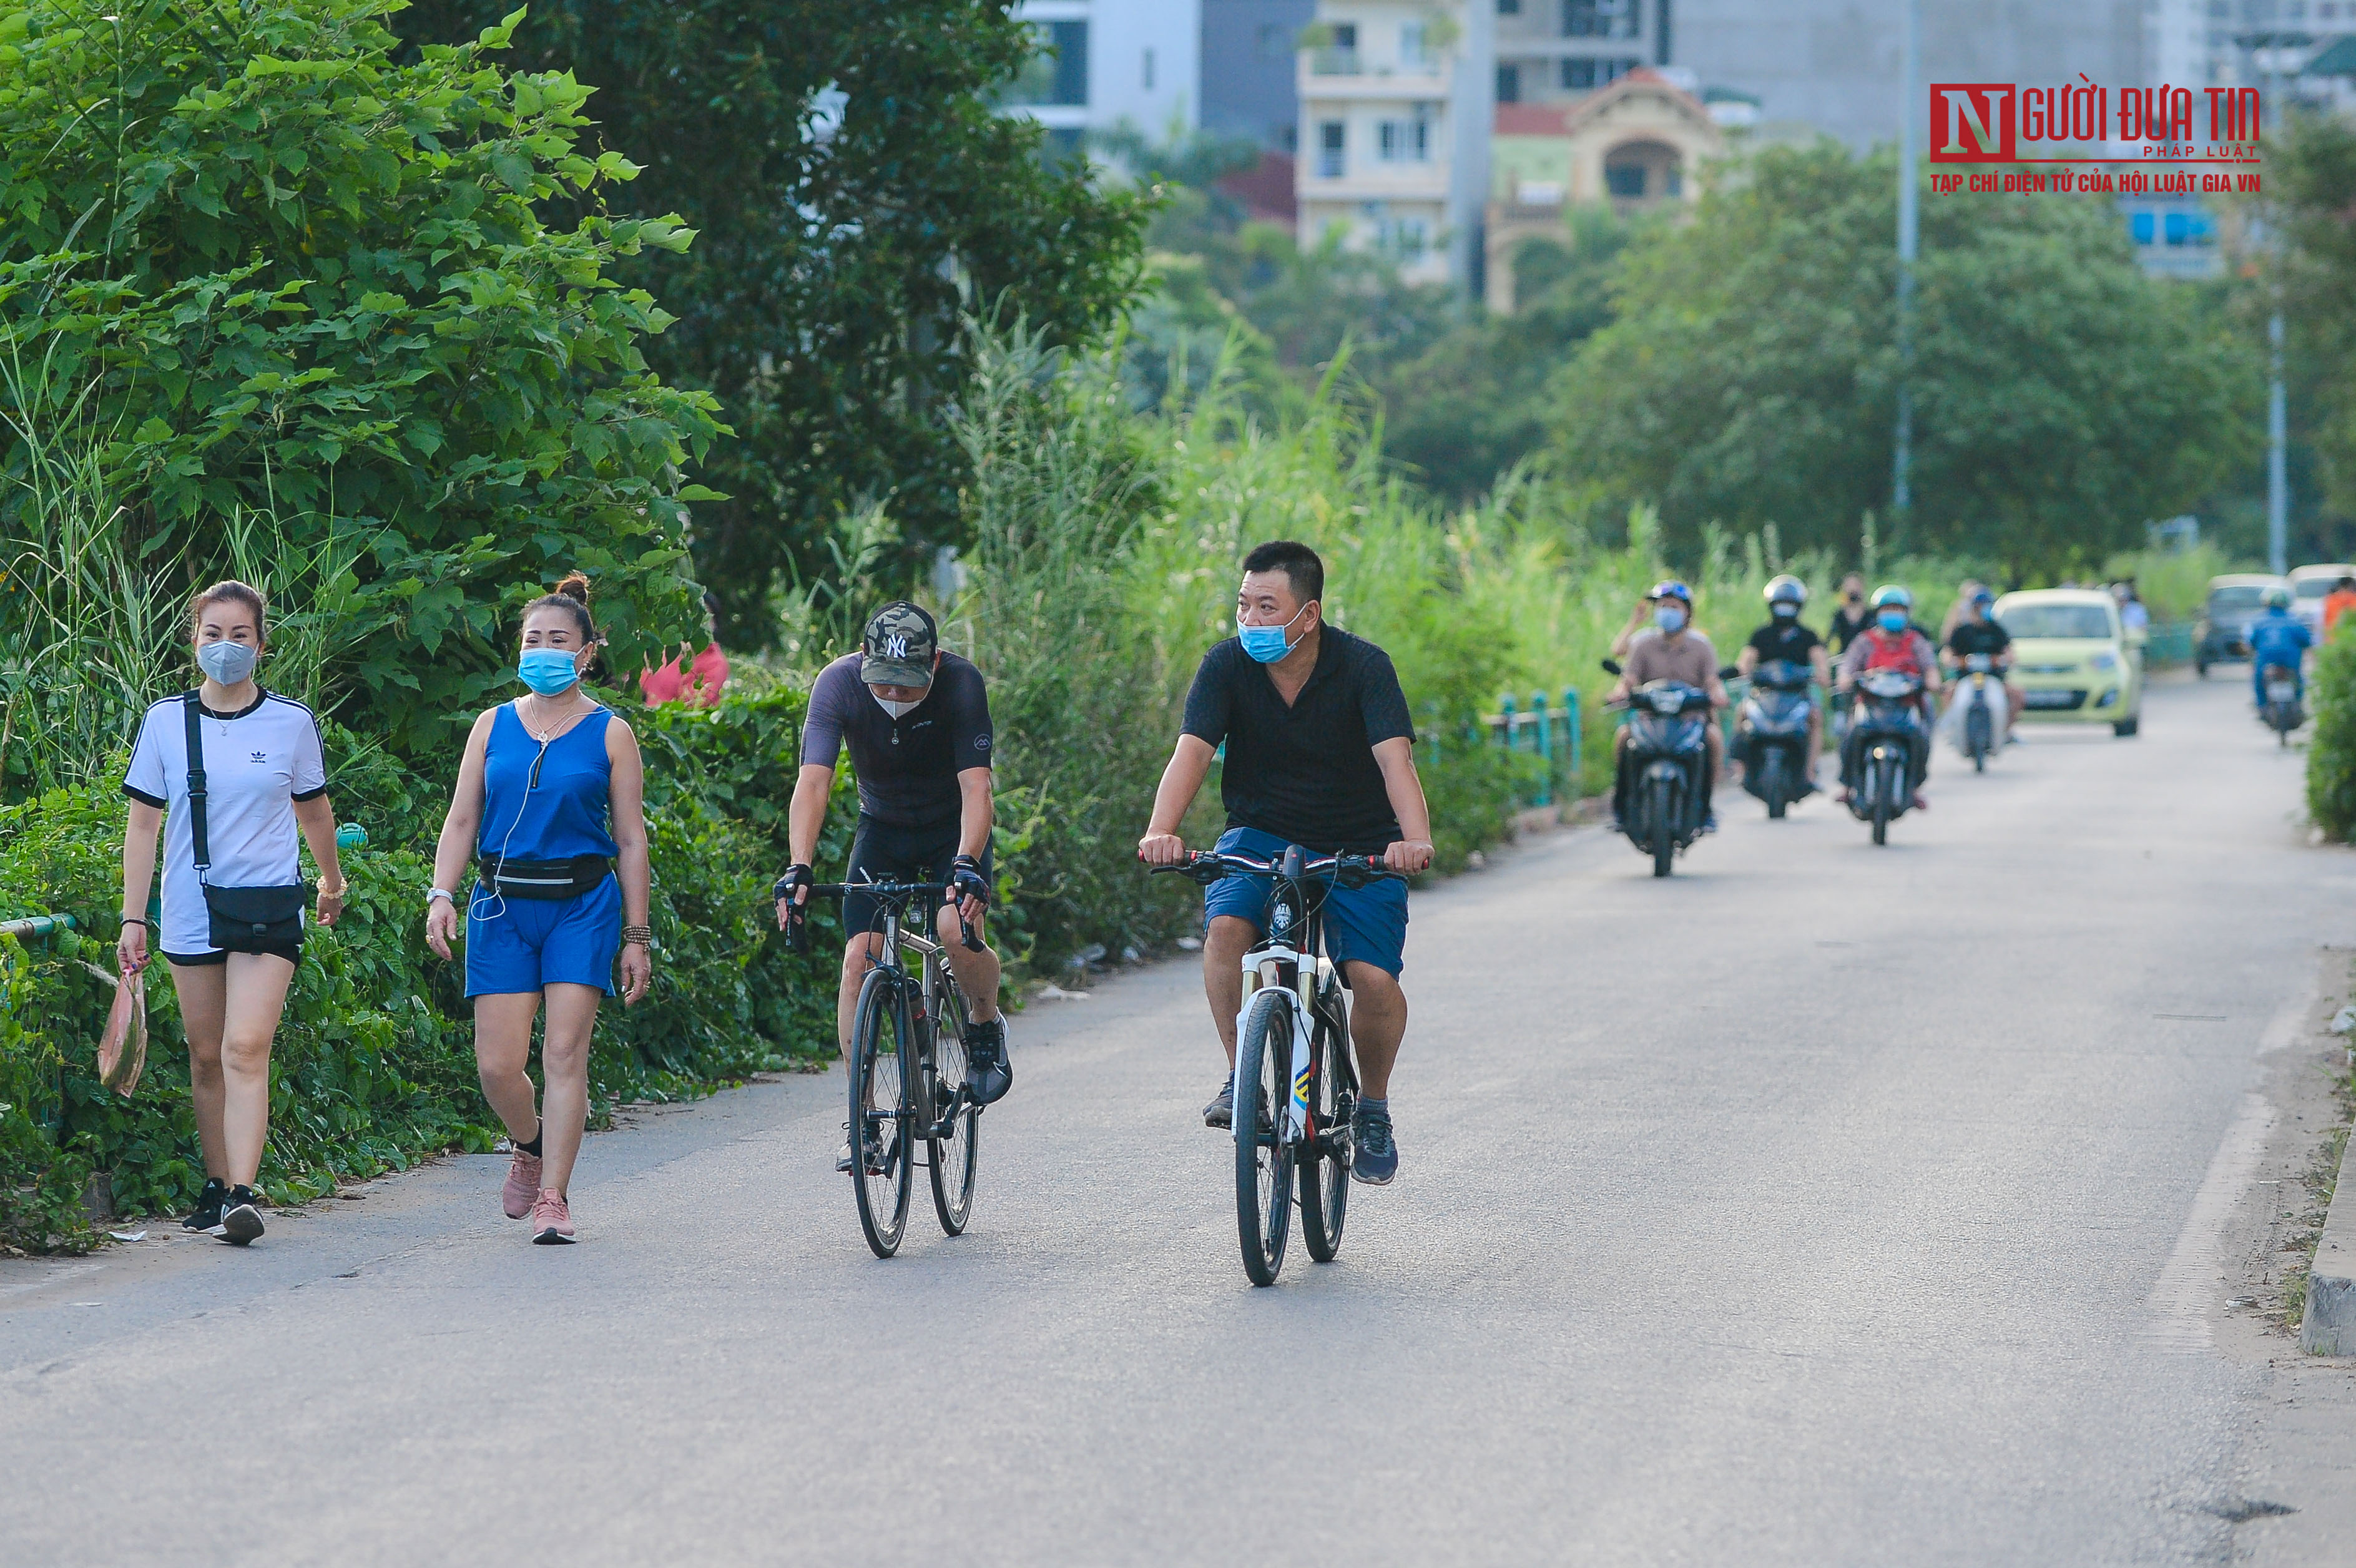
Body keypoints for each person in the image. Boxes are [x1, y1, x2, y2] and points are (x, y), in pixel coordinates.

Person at [1137, 541, 1434, 1186]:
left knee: (1374, 980)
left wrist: (1413, 840)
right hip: (1260, 834)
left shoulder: (1363, 667)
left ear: (1309, 615)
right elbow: (1191, 752)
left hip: (1360, 842)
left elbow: (1396, 762)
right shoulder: (1226, 666)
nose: (1251, 620)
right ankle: (1244, 1079)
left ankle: (1374, 1107)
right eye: (1244, 604)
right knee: (1225, 932)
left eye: (1267, 607)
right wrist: (1162, 829)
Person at [425, 574, 653, 1245]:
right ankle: (528, 1142)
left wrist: (636, 935)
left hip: (582, 904)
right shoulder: (492, 724)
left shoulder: (612, 732)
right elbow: (463, 817)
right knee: (497, 1065)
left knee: (563, 1051)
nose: (543, 650)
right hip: (500, 904)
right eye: (532, 639)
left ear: (587, 653)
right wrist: (442, 892)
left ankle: (555, 1195)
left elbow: (632, 838)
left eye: (559, 640)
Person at [118, 581, 346, 1246]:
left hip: (269, 904)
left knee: (245, 1046)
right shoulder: (165, 720)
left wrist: (331, 881)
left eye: (239, 635)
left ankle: (244, 1196)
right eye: (212, 634)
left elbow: (314, 811)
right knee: (204, 1054)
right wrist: (135, 916)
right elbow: (142, 826)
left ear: (261, 646)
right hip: (191, 908)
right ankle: (216, 1185)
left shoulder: (291, 722)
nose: (225, 647)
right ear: (194, 642)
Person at [775, 602, 1009, 1172]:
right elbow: (813, 782)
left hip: (951, 832)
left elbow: (978, 790)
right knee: (858, 960)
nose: (896, 698)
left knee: (955, 928)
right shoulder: (837, 685)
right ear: (862, 661)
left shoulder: (960, 683)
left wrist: (966, 862)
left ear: (935, 661)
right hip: (881, 829)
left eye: (909, 687)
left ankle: (983, 1022)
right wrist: (798, 866)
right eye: (885, 685)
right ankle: (860, 1121)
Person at [1609, 581, 1730, 832]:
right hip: (1650, 719)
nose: (1667, 611)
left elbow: (1712, 682)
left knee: (1714, 739)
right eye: (1663, 606)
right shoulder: (1643, 644)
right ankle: (1621, 806)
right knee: (1623, 739)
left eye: (1673, 607)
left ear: (1687, 613)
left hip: (1690, 719)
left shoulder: (1701, 646)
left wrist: (1718, 695)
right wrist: (1619, 693)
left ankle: (1706, 808)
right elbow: (1628, 679)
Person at [1836, 585, 1943, 808]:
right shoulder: (1864, 641)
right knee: (1851, 735)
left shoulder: (1916, 642)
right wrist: (1846, 679)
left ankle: (1913, 788)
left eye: (1898, 609)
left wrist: (1933, 682)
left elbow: (1930, 668)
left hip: (1906, 706)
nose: (1893, 614)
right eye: (1888, 609)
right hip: (1871, 704)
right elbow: (1848, 667)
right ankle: (1848, 786)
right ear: (1877, 613)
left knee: (1921, 738)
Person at [1735, 574, 1832, 791]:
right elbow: (1746, 661)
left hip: (1797, 695)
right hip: (1766, 694)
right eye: (1781, 604)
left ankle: (1809, 770)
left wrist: (1822, 674)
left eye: (1789, 605)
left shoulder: (1808, 636)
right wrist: (1742, 671)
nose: (1785, 609)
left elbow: (1820, 660)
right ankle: (1741, 768)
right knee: (1742, 712)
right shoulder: (1761, 635)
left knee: (1815, 717)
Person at [1943, 588, 2021, 742]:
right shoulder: (1962, 630)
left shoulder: (1996, 630)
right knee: (1947, 692)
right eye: (1980, 605)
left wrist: (2005, 659)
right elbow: (1948, 652)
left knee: (2017, 695)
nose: (1983, 609)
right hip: (1965, 677)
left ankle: (2005, 731)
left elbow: (2009, 652)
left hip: (1994, 677)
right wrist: (1952, 661)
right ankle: (1955, 729)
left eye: (1986, 605)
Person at [639, 590, 730, 707]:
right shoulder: (667, 651)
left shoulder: (716, 662)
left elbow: (698, 701)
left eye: (705, 618)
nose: (698, 623)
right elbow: (643, 684)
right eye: (691, 616)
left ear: (714, 624)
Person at [2249, 587, 2314, 709]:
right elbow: (2307, 641)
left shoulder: (2258, 621)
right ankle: (2299, 704)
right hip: (2291, 660)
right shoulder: (2295, 621)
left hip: (2266, 660)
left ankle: (2262, 705)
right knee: (2298, 680)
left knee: (2259, 679)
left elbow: (2251, 643)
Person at [1827, 575, 1872, 654]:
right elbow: (1830, 637)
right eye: (1849, 586)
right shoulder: (1839, 615)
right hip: (1844, 656)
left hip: (1867, 656)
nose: (1852, 589)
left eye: (1855, 585)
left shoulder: (1870, 614)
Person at [2323, 575, 2356, 643]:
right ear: (2351, 586)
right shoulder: (2354, 599)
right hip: (2352, 640)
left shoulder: (2330, 599)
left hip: (2333, 639)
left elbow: (2325, 620)